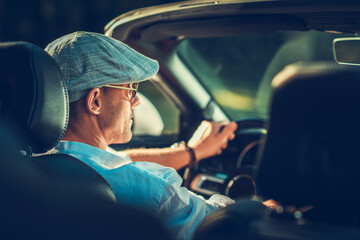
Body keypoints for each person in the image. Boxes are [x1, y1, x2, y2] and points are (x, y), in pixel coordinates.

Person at [45, 31, 237, 240]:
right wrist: (264, 208)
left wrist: (192, 151)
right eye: (130, 89)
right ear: (95, 102)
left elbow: (120, 161)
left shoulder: (22, 161)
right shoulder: (152, 193)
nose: (136, 101)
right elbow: (225, 227)